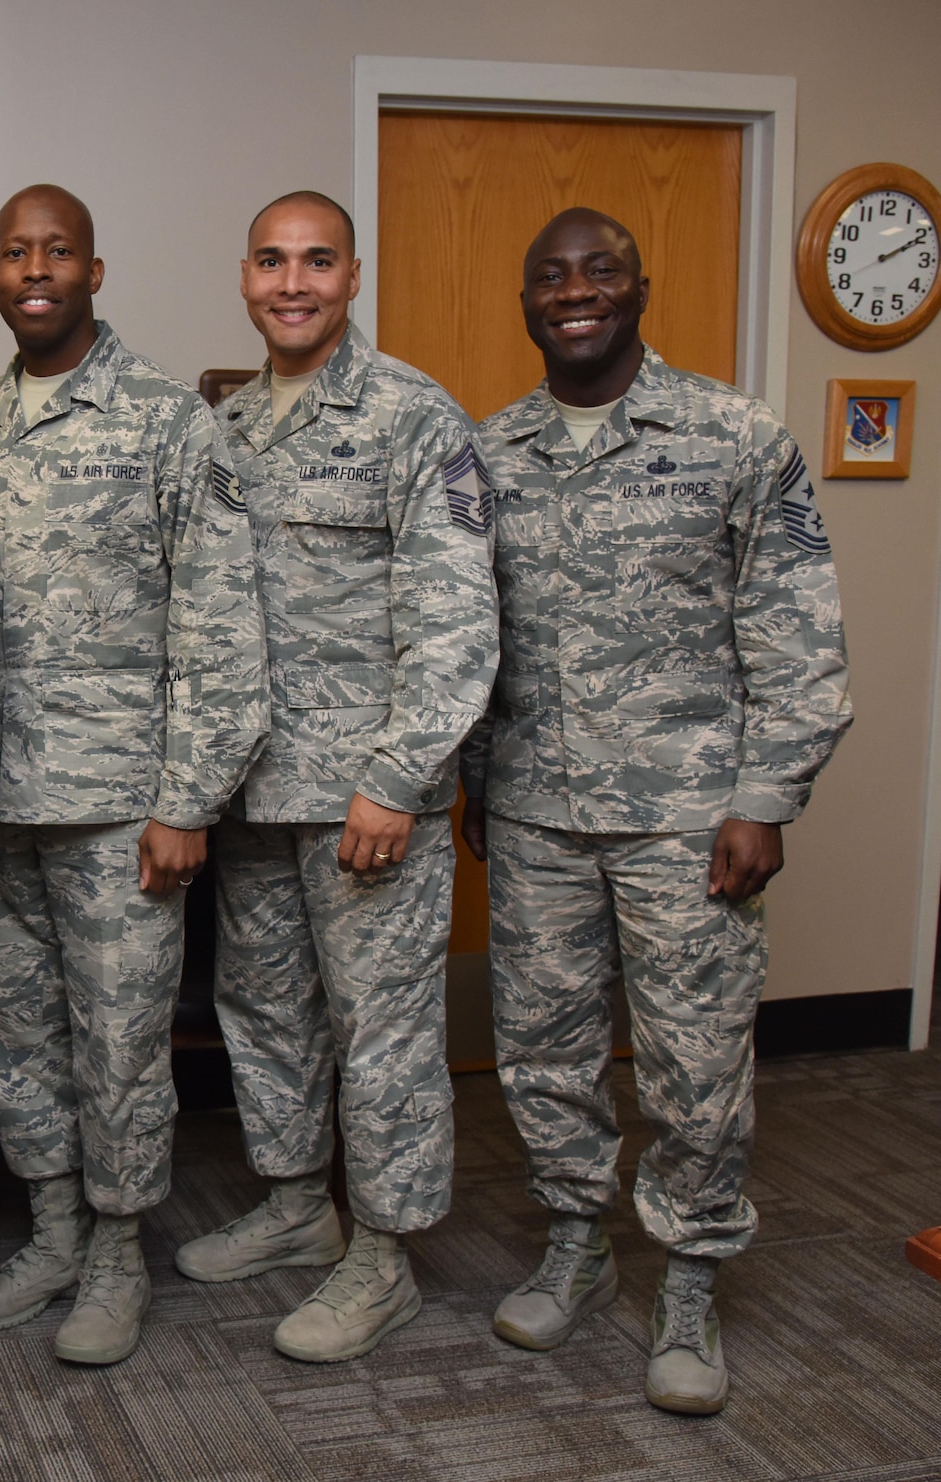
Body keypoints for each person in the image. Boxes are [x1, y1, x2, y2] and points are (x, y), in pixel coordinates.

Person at [461, 208, 852, 1415]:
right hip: (533, 815)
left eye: (599, 271)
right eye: (550, 277)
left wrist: (765, 797)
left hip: (692, 821)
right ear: (525, 301)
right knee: (541, 1052)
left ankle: (686, 1280)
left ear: (640, 285)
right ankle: (575, 1245)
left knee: (694, 1065)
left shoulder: (732, 436)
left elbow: (795, 628)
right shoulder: (488, 453)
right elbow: (464, 637)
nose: (574, 292)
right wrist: (471, 780)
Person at [0, 185, 268, 1365]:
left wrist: (186, 801)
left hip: (120, 807)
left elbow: (220, 624)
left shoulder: (167, 420)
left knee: (120, 1041)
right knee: (13, 1032)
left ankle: (119, 1252)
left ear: (94, 269)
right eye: (14, 253)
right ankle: (54, 1231)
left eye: (58, 250)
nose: (36, 269)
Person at [171, 192, 498, 1363]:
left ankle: (385, 1256)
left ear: (352, 275)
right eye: (270, 260)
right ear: (244, 276)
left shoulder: (414, 417)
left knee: (384, 1031)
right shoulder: (222, 428)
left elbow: (457, 619)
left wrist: (399, 778)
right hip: (252, 789)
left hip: (366, 799)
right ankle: (298, 1205)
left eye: (316, 261)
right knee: (261, 1012)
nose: (291, 282)